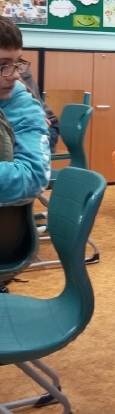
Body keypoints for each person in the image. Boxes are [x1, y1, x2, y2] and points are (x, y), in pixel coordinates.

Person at [0, 17, 51, 290]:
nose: (15, 75)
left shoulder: (22, 104)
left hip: (5, 238)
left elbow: (32, 177)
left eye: (17, 62)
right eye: (2, 66)